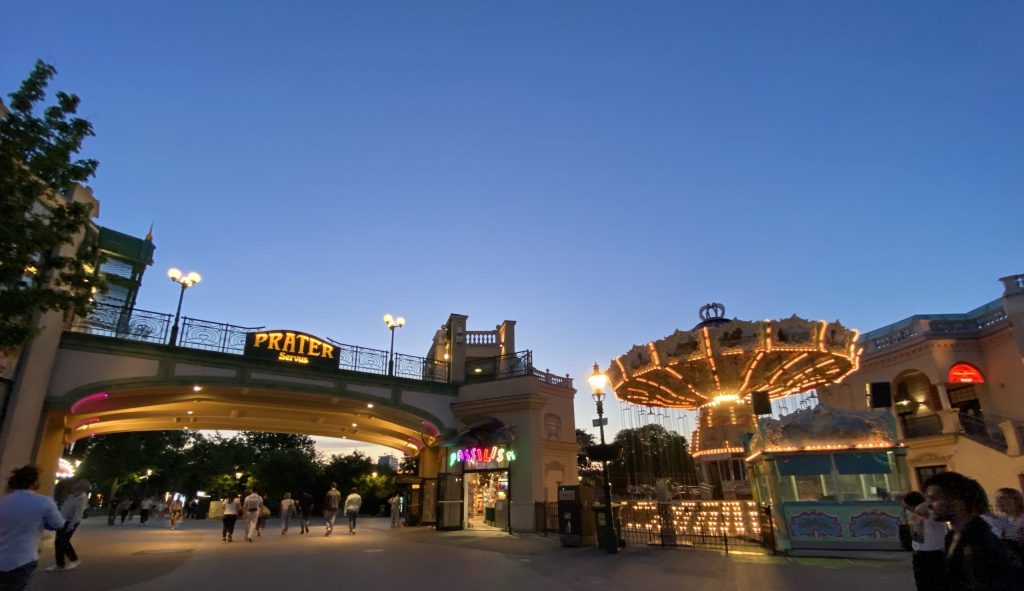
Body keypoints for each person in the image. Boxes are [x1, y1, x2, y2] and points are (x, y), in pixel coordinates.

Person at [924, 471, 1024, 590]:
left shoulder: (978, 541)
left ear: (957, 502)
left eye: (933, 499)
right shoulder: (952, 536)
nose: (929, 505)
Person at [0, 465, 65, 590]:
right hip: (24, 557)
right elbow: (58, 523)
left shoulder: (4, 501)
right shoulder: (43, 502)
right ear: (35, 482)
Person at [902, 490, 946, 591]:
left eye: (908, 507)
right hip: (920, 555)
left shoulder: (931, 514)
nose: (907, 510)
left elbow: (920, 509)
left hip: (934, 555)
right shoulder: (916, 517)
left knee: (935, 584)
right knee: (923, 584)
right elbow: (918, 538)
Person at [995, 487, 1024, 558]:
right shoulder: (1002, 521)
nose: (999, 502)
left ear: (1016, 500)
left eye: (1003, 498)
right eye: (997, 499)